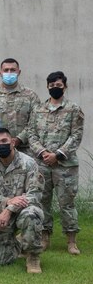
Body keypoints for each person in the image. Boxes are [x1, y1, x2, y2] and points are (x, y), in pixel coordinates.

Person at [28, 71, 84, 254]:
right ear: (47, 87)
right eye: (52, 86)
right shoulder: (38, 109)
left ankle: (71, 241)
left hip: (65, 165)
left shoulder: (74, 109)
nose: (55, 88)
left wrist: (58, 155)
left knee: (66, 202)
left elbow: (76, 135)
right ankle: (44, 237)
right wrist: (44, 153)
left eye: (58, 85)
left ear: (65, 86)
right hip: (42, 164)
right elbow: (31, 134)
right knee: (43, 201)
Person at [0, 128, 45, 273]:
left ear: (13, 142)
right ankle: (20, 242)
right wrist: (8, 202)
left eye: (4, 141)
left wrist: (10, 209)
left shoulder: (29, 163)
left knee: (31, 215)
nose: (0, 144)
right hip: (0, 213)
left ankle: (33, 257)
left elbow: (35, 193)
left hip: (25, 209)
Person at [0, 58, 40, 154]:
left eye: (13, 70)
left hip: (25, 149)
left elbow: (35, 122)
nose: (9, 73)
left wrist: (20, 138)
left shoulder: (30, 95)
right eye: (6, 70)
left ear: (19, 72)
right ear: (0, 72)